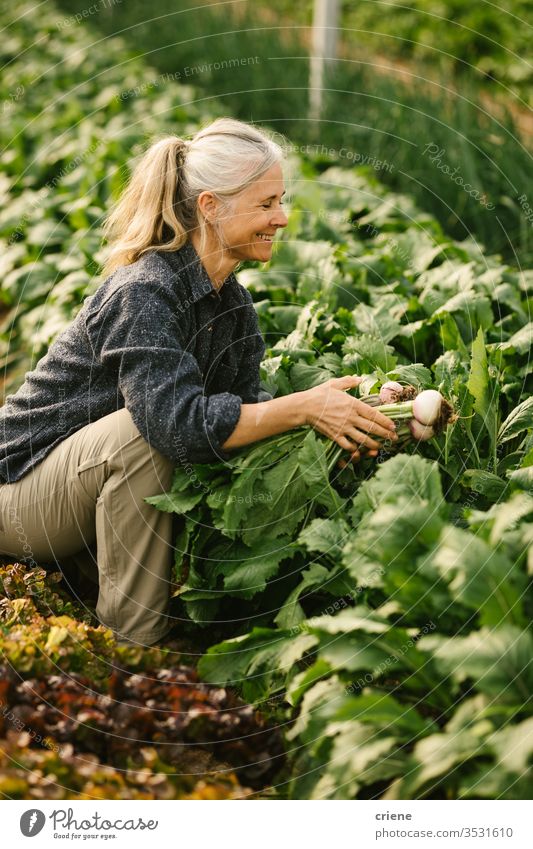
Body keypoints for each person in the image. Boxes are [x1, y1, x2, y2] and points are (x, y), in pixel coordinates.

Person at [0, 117, 397, 646]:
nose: (282, 218)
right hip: (18, 494)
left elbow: (250, 416)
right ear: (210, 207)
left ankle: (125, 605)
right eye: (265, 204)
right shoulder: (143, 292)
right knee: (143, 435)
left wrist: (355, 411)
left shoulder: (232, 306)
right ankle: (133, 644)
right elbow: (178, 428)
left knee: (184, 432)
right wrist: (303, 407)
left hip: (72, 495)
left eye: (282, 201)